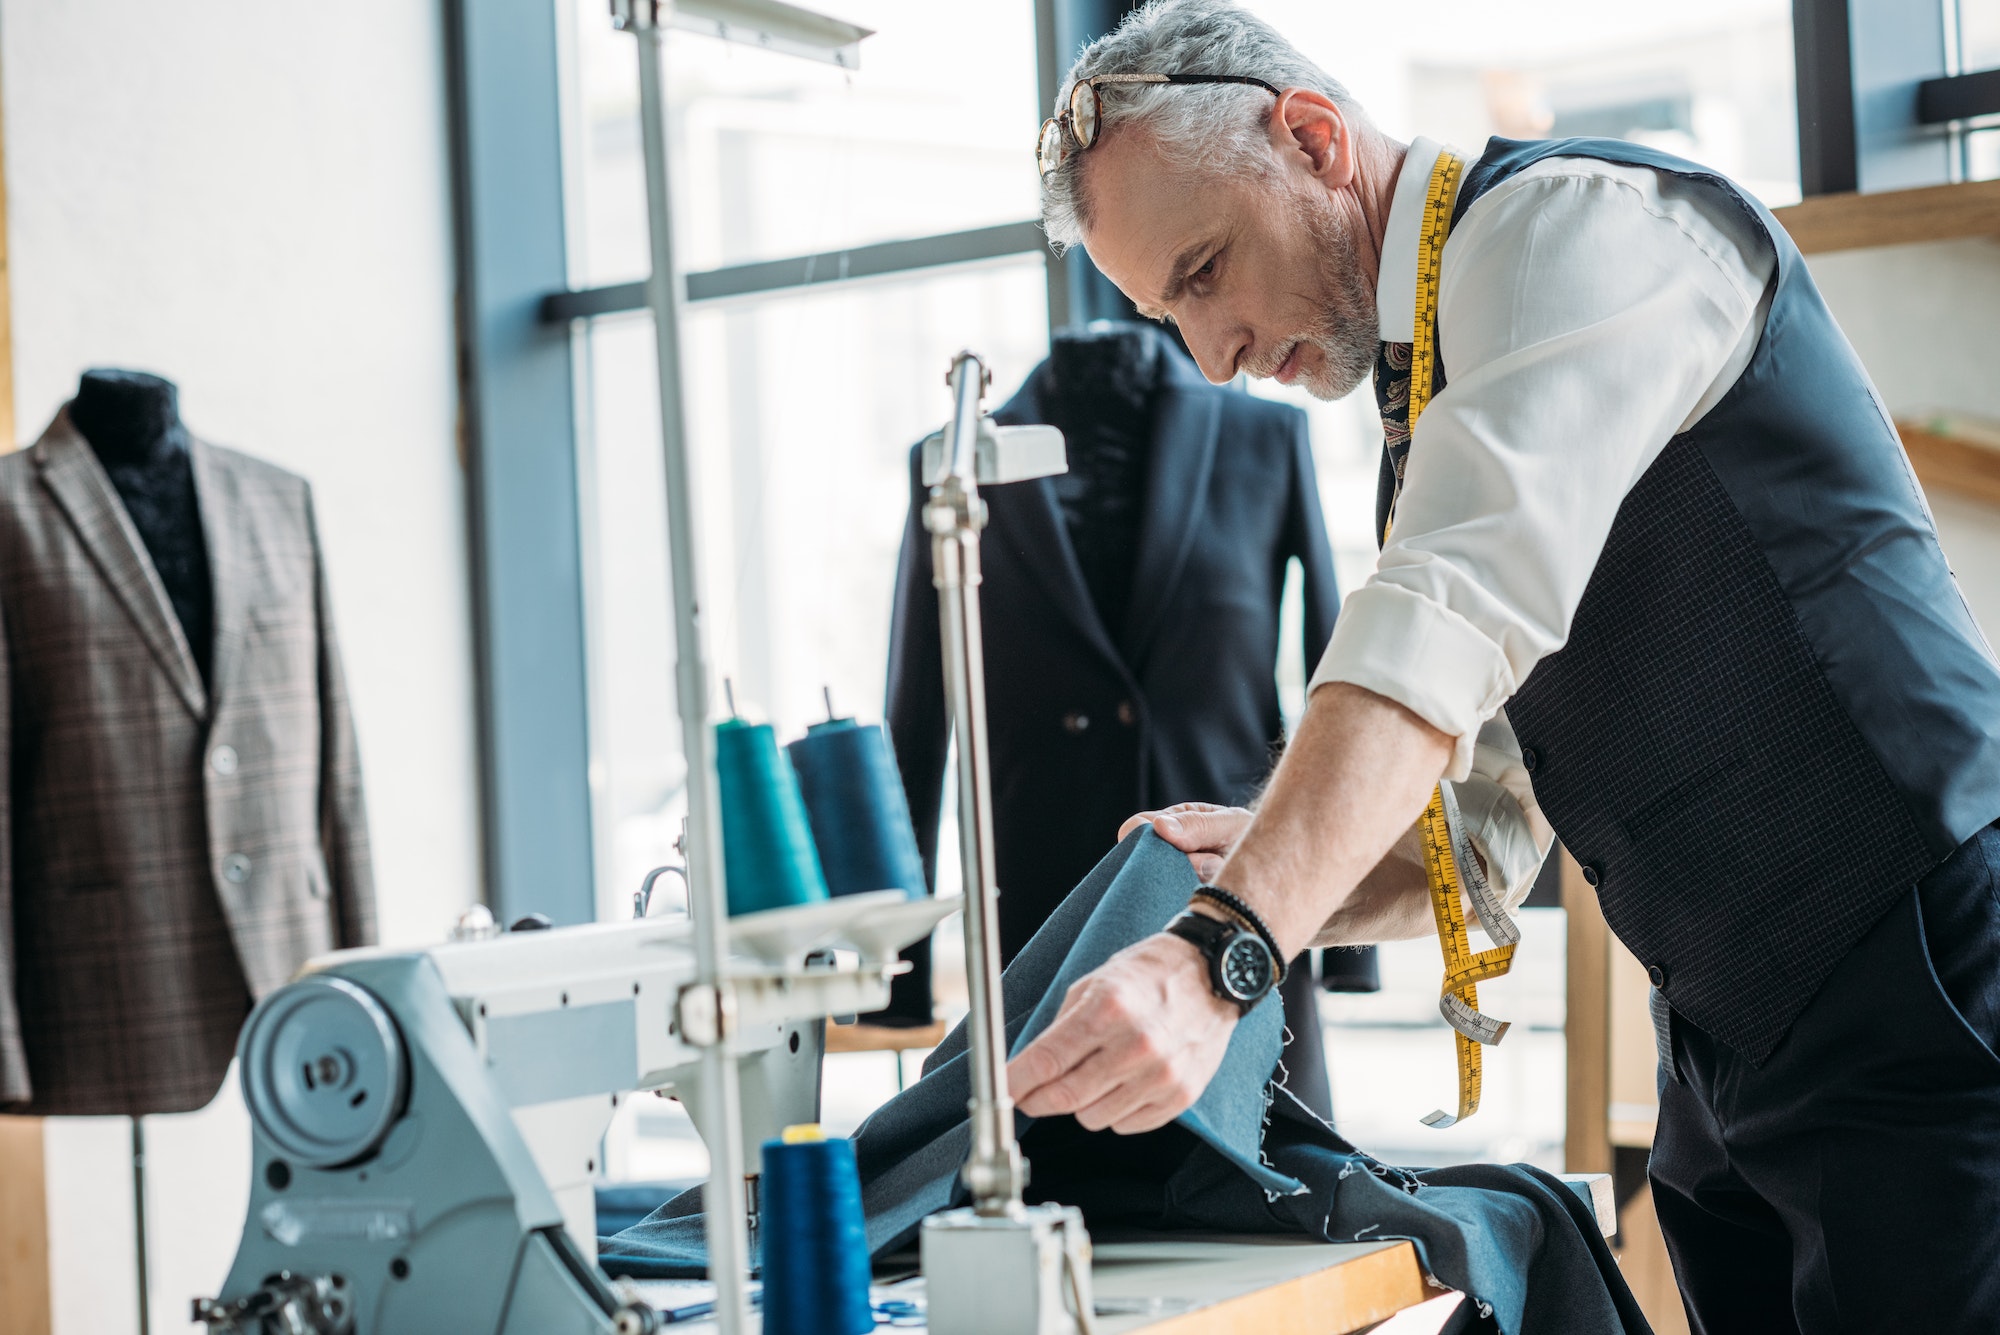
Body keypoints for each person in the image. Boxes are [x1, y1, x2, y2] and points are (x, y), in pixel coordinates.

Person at [1005, 3, 2000, 1331]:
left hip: (1921, 985)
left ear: (1309, 138)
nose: (1214, 358)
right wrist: (1265, 866)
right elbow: (1478, 846)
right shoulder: (1433, 399)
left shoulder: (1579, 232)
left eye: (1203, 273)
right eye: (1163, 313)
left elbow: (1448, 605)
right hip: (1731, 1046)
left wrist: (1224, 950)